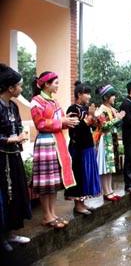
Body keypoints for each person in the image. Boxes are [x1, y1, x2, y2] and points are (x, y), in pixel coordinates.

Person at [30, 71, 79, 229]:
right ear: (46, 84)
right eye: (56, 83)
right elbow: (40, 124)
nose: (58, 86)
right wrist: (61, 121)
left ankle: (52, 213)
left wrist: (68, 121)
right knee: (46, 182)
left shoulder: (55, 102)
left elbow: (60, 120)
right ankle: (46, 215)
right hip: (45, 143)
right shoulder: (36, 101)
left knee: (53, 181)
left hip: (57, 143)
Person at [0, 64, 31, 251]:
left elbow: (18, 126)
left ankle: (12, 233)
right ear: (10, 88)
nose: (21, 89)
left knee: (16, 192)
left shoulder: (12, 105)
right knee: (4, 194)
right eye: (19, 85)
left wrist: (20, 136)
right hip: (1, 159)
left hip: (14, 156)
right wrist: (13, 139)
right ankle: (2, 237)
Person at [64, 81, 101, 215]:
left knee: (86, 176)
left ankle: (83, 203)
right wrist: (90, 117)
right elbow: (75, 129)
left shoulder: (85, 109)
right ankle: (78, 205)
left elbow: (92, 127)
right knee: (79, 175)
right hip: (78, 148)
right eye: (87, 93)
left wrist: (95, 118)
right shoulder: (73, 109)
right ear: (79, 94)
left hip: (88, 146)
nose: (89, 97)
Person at [94, 85, 125, 201]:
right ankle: (106, 191)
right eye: (112, 95)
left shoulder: (113, 109)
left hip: (112, 137)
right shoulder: (101, 110)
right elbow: (104, 126)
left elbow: (116, 124)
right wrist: (118, 119)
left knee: (110, 166)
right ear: (106, 97)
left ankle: (110, 190)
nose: (114, 98)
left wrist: (120, 119)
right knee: (105, 165)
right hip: (105, 138)